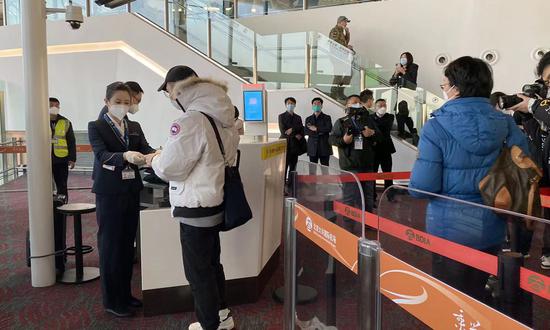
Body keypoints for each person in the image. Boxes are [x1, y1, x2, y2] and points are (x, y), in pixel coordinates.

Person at [410, 56, 529, 300]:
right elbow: (523, 171)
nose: (443, 90)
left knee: (449, 298)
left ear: (456, 87)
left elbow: (423, 188)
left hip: (448, 228)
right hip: (492, 225)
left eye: (444, 86)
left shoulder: (436, 126)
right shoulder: (507, 125)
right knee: (476, 292)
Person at [148, 66, 238, 330]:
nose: (169, 98)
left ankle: (209, 324)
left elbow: (170, 168)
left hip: (194, 206)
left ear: (177, 89)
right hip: (215, 201)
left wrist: (154, 159)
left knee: (198, 273)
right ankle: (222, 316)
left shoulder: (191, 120)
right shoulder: (224, 116)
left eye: (167, 92)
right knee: (212, 264)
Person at [88, 82, 157, 317]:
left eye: (126, 102)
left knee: (127, 246)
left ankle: (126, 294)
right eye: (117, 102)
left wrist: (154, 155)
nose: (122, 106)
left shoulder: (134, 125)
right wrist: (125, 156)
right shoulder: (96, 126)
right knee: (110, 247)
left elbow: (145, 148)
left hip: (131, 190)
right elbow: (101, 154)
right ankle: (112, 300)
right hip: (109, 192)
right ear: (106, 102)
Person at [509, 51, 550, 269]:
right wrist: (526, 113)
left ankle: (548, 251)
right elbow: (536, 135)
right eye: (545, 82)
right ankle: (520, 249)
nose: (547, 86)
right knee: (526, 207)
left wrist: (534, 106)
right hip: (539, 164)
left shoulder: (542, 106)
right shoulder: (543, 104)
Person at [330, 94, 381, 214]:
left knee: (368, 196)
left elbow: (380, 138)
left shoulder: (368, 121)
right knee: (349, 197)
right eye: (353, 102)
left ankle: (368, 223)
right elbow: (331, 139)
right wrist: (343, 140)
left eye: (358, 102)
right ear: (347, 105)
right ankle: (349, 225)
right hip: (349, 166)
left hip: (367, 165)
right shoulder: (341, 122)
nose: (357, 104)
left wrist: (372, 133)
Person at [49, 97, 76, 199]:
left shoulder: (65, 122)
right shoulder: (39, 121)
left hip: (61, 159)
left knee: (62, 185)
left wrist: (72, 159)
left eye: (56, 106)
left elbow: (71, 141)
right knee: (44, 185)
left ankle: (63, 206)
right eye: (51, 105)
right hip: (44, 160)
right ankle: (48, 207)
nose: (54, 108)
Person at [371, 99, 396, 202]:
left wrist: (373, 129)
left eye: (384, 105)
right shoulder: (370, 117)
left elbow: (384, 128)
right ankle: (372, 196)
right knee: (373, 173)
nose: (382, 107)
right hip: (374, 150)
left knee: (388, 173)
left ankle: (390, 195)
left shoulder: (390, 117)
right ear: (375, 107)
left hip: (386, 149)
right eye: (380, 105)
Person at [279, 97, 305, 186]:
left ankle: (291, 185)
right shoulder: (281, 116)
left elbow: (301, 130)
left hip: (295, 146)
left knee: (293, 167)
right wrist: (295, 132)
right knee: (284, 167)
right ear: (286, 105)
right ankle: (282, 186)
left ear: (295, 105)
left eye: (292, 103)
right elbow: (283, 132)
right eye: (289, 103)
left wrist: (292, 129)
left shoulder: (298, 117)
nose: (290, 105)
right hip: (286, 145)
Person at [305, 97, 333, 173]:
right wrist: (321, 131)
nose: (316, 105)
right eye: (314, 104)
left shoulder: (327, 117)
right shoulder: (308, 119)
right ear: (312, 106)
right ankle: (312, 185)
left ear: (321, 106)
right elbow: (306, 131)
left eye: (318, 104)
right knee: (312, 170)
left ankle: (326, 184)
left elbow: (329, 129)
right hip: (312, 148)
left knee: (325, 169)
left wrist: (316, 129)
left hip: (324, 146)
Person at [329, 16, 354, 100]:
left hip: (342, 56)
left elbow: (346, 42)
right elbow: (335, 42)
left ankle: (340, 91)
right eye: (345, 22)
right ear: (340, 21)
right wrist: (347, 46)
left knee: (349, 73)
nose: (346, 23)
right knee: (338, 75)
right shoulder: (334, 30)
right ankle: (334, 93)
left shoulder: (341, 31)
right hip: (336, 56)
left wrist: (347, 33)